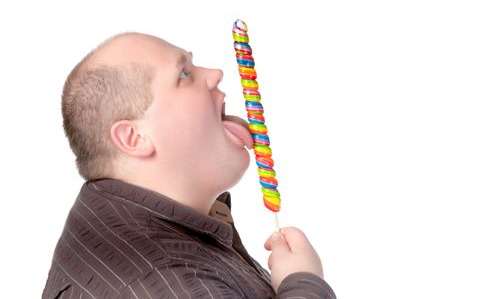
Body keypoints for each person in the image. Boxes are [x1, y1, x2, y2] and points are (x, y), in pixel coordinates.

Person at [42, 32, 336, 298]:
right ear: (134, 137)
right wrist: (303, 283)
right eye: (184, 74)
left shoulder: (115, 216)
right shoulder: (170, 285)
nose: (215, 74)